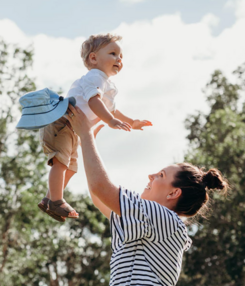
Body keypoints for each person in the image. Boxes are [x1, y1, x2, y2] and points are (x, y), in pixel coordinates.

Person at [65, 104, 229, 285]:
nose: (150, 176)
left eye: (161, 175)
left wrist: (86, 135)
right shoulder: (155, 222)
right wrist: (88, 143)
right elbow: (99, 197)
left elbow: (101, 189)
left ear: (174, 192)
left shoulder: (163, 218)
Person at [37, 33, 152, 222]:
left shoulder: (106, 84)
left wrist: (133, 122)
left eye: (121, 56)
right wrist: (109, 121)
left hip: (72, 128)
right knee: (61, 163)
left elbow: (113, 110)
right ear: (93, 58)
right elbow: (93, 102)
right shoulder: (95, 77)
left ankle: (50, 199)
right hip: (61, 122)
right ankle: (56, 200)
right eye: (113, 53)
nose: (119, 59)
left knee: (71, 168)